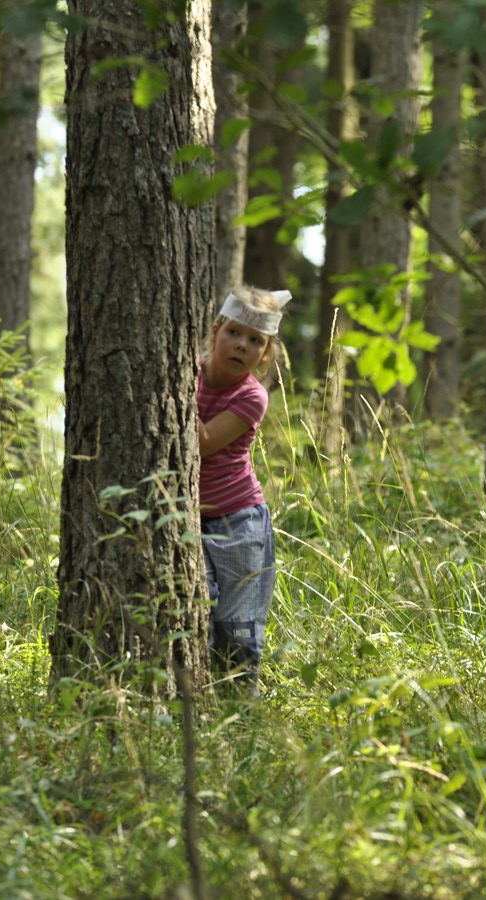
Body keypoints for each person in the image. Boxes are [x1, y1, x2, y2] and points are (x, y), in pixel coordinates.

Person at [197, 285, 291, 696]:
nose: (241, 345)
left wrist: (169, 389)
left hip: (238, 521)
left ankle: (239, 705)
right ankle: (196, 697)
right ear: (215, 331)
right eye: (234, 332)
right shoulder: (188, 374)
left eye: (255, 341)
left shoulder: (253, 396)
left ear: (265, 354)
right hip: (186, 518)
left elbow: (199, 442)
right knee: (195, 610)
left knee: (237, 624)